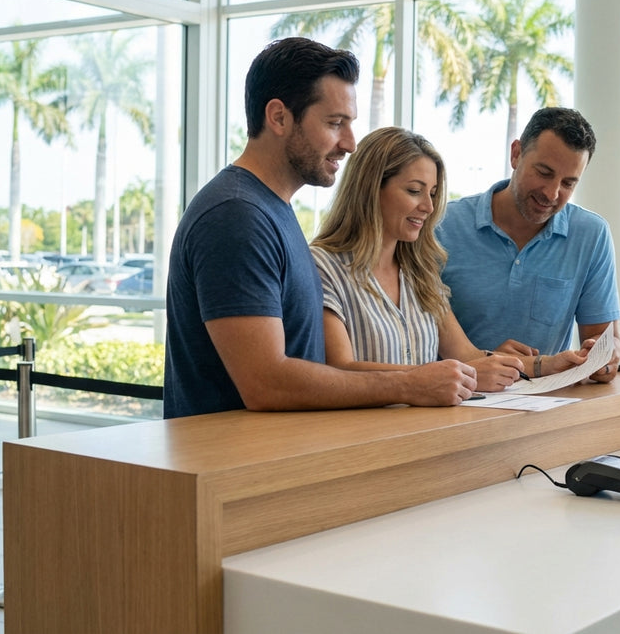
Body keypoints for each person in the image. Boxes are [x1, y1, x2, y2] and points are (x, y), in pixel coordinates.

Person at [163, 37, 476, 418]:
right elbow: (266, 382)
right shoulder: (236, 216)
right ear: (278, 117)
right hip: (231, 468)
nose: (350, 144)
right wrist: (410, 384)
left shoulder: (271, 210)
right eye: (334, 123)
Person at [310, 126, 593, 390]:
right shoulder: (323, 267)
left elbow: (468, 356)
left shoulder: (419, 272)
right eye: (414, 191)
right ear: (370, 189)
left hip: (431, 434)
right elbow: (338, 370)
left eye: (432, 193)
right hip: (364, 438)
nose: (429, 207)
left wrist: (551, 364)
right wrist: (436, 377)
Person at [435, 107, 620, 383]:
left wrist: (601, 358)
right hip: (455, 401)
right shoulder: (442, 225)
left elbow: (604, 338)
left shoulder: (591, 234)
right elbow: (423, 335)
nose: (552, 193)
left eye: (568, 183)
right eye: (544, 173)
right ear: (516, 154)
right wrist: (489, 361)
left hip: (542, 405)